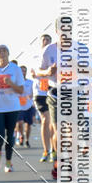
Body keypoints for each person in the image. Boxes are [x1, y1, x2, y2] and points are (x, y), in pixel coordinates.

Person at [0, 45, 24, 173]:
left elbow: (21, 90)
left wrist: (10, 83)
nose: (1, 53)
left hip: (12, 106)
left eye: (4, 51)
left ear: (8, 53)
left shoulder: (16, 69)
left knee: (10, 136)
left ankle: (8, 162)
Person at [30, 33, 52, 161]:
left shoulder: (55, 55)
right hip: (40, 92)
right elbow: (33, 73)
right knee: (45, 119)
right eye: (44, 39)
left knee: (53, 123)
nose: (46, 41)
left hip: (53, 91)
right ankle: (46, 150)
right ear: (40, 42)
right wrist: (45, 73)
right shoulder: (35, 56)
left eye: (48, 40)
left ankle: (53, 149)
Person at [15, 66, 34, 147]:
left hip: (29, 105)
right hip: (19, 106)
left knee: (28, 124)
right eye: (21, 71)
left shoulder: (30, 82)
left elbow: (33, 93)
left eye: (24, 71)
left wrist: (30, 96)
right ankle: (21, 136)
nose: (23, 72)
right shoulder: (16, 82)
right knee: (20, 123)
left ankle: (27, 140)